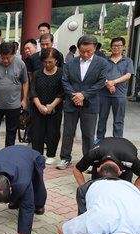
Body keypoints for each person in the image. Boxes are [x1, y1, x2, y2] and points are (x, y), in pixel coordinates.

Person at [57, 35, 108, 170]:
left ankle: (89, 160)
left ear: (95, 48)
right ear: (78, 48)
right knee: (68, 132)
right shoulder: (70, 62)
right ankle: (65, 158)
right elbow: (65, 80)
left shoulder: (102, 63)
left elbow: (101, 82)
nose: (85, 54)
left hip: (90, 104)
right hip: (71, 102)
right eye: (82, 51)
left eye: (89, 51)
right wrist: (75, 95)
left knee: (88, 134)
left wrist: (83, 95)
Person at [0, 41, 28, 161]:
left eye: (7, 58)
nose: (5, 60)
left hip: (14, 104)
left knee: (12, 129)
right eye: (2, 57)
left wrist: (24, 99)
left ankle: (9, 152)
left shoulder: (20, 64)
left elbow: (25, 82)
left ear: (14, 54)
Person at [96, 37, 134, 142]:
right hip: (104, 94)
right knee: (102, 118)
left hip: (120, 94)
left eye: (119, 45)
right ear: (111, 47)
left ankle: (117, 141)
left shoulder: (128, 61)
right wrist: (108, 84)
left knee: (119, 120)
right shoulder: (104, 60)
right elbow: (100, 75)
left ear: (123, 47)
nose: (116, 47)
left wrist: (114, 82)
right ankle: (99, 140)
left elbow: (128, 75)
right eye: (114, 45)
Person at [31, 48, 64, 165]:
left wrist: (51, 106)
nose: (47, 64)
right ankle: (37, 154)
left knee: (53, 131)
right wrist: (39, 106)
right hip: (38, 107)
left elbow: (62, 92)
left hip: (55, 107)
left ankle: (51, 154)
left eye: (50, 62)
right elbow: (33, 92)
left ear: (56, 61)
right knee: (37, 132)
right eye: (45, 62)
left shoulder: (61, 73)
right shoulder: (37, 74)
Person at [72, 137, 140, 187]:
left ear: (120, 172)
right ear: (97, 169)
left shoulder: (131, 159)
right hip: (104, 145)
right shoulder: (93, 154)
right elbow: (76, 169)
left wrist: (135, 190)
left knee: (125, 187)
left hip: (125, 146)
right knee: (96, 186)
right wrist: (84, 187)